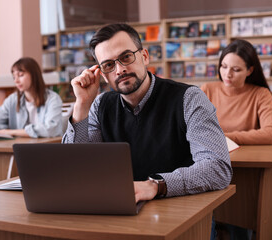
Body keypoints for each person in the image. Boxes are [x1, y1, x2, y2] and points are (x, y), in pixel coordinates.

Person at [63, 23, 232, 206]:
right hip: (122, 209)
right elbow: (76, 170)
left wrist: (155, 185)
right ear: (103, 75)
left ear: (144, 57)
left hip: (181, 211)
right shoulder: (100, 105)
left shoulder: (189, 98)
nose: (119, 70)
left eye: (126, 57)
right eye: (109, 65)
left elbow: (217, 168)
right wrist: (81, 105)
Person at [201, 39, 272, 145]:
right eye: (224, 66)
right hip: (211, 156)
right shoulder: (207, 90)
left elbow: (271, 135)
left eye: (236, 69)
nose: (227, 74)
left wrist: (222, 137)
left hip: (247, 157)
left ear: (249, 71)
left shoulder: (261, 94)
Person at [0, 57, 63, 138]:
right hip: (22, 150)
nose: (16, 80)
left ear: (34, 75)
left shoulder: (53, 99)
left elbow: (51, 130)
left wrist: (12, 132)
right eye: (14, 77)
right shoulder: (12, 100)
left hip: (46, 149)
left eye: (21, 75)